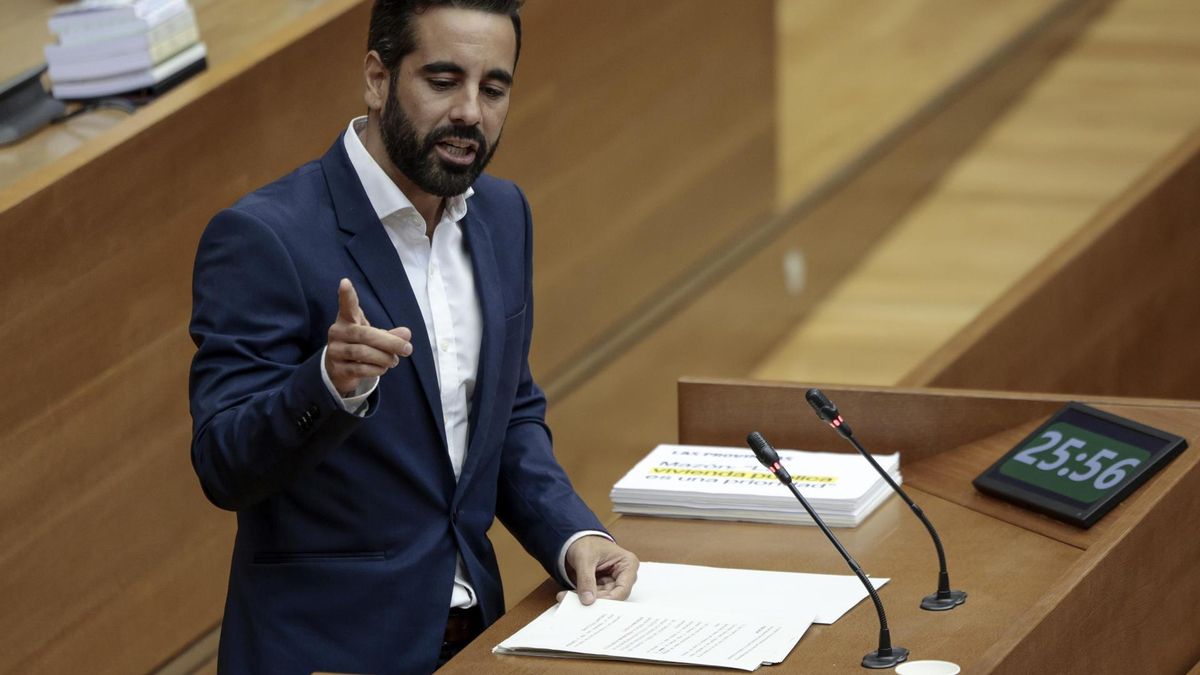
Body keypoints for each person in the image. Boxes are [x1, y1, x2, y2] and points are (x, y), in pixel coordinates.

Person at [187, 1, 639, 672]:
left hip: (473, 642)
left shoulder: (503, 216)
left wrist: (571, 533)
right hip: (325, 652)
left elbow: (507, 416)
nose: (470, 112)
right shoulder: (266, 237)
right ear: (377, 78)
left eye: (493, 88)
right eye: (442, 79)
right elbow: (223, 464)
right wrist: (326, 387)